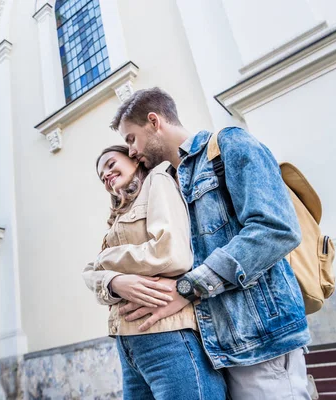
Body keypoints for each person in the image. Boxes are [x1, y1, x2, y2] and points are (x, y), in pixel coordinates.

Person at [110, 87, 311, 400]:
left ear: (154, 121)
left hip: (259, 342)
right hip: (213, 348)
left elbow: (276, 229)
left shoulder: (229, 144)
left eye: (131, 138)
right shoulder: (170, 183)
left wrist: (189, 288)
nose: (131, 151)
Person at [82, 145, 227, 400]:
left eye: (110, 163)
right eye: (100, 175)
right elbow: (89, 274)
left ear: (134, 160)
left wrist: (107, 261)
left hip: (167, 335)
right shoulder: (117, 218)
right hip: (126, 343)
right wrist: (115, 281)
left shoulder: (157, 180)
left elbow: (172, 254)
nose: (105, 174)